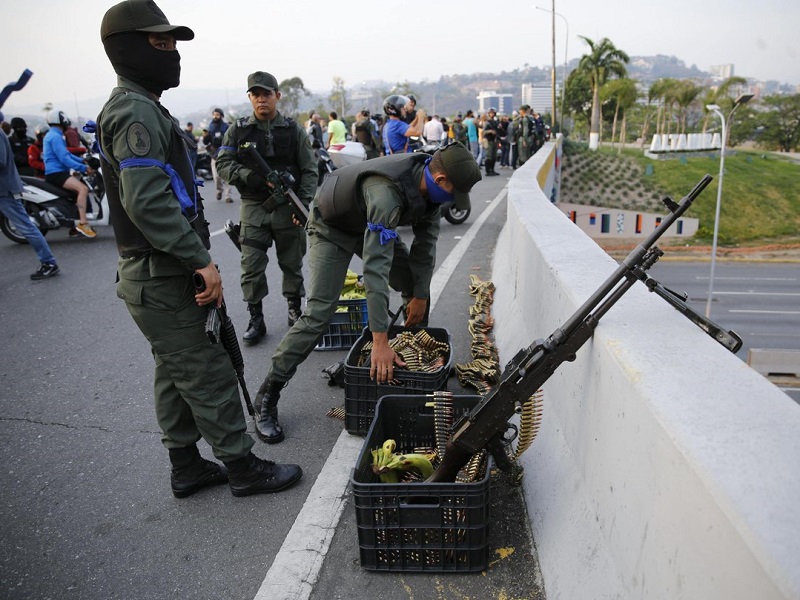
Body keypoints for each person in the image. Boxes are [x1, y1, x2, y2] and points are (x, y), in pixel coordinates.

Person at [97, 0, 302, 497]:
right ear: (127, 49)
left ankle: (186, 466)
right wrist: (200, 260)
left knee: (175, 371)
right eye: (160, 44)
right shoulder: (134, 111)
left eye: (173, 44)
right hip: (162, 271)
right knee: (206, 370)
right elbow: (146, 202)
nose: (173, 55)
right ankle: (242, 466)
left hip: (154, 271)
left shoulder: (143, 106)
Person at [250, 142, 481, 444]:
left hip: (368, 223)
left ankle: (417, 366)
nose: (453, 200)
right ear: (440, 181)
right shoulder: (387, 195)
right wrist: (380, 341)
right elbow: (376, 271)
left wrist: (420, 296)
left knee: (413, 286)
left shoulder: (430, 193)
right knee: (319, 313)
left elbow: (425, 251)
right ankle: (268, 394)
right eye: (454, 193)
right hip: (331, 228)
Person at [215, 71, 317, 347]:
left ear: (277, 96)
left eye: (266, 94)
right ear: (250, 98)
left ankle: (294, 309)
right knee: (251, 266)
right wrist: (250, 177)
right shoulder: (237, 130)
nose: (261, 99)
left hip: (288, 206)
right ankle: (255, 317)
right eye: (255, 94)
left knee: (292, 263)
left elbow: (310, 169)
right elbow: (223, 164)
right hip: (254, 208)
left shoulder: (293, 130)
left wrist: (302, 202)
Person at [0, 110, 60, 280]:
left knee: (25, 226)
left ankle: (49, 262)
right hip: (7, 188)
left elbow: (1, 160)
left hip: (5, 190)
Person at [43, 109, 97, 238]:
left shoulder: (53, 135)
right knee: (83, 189)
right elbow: (64, 158)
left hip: (57, 172)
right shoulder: (55, 136)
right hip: (57, 173)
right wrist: (83, 168)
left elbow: (66, 154)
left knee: (75, 194)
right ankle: (83, 223)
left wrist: (82, 160)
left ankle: (75, 227)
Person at [202, 108, 232, 202]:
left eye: (217, 114)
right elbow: (206, 142)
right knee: (216, 177)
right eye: (214, 114)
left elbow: (230, 139)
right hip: (214, 154)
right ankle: (219, 190)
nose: (215, 116)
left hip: (225, 153)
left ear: (221, 116)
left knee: (227, 175)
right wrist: (206, 137)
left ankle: (228, 196)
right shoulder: (210, 127)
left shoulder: (226, 127)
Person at [482, 107, 500, 176]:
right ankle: (488, 170)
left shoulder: (495, 122)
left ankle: (492, 169)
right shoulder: (487, 122)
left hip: (495, 140)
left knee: (494, 156)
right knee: (489, 156)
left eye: (493, 113)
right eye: (491, 113)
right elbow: (483, 132)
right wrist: (490, 131)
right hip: (489, 141)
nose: (492, 114)